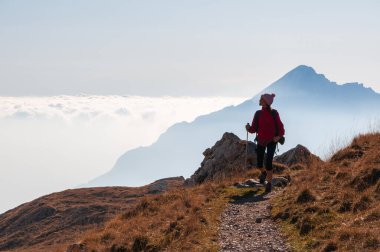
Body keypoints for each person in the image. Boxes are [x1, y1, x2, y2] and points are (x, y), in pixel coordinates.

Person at [245, 93, 285, 193]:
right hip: (261, 140)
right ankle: (263, 173)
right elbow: (254, 128)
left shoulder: (274, 113)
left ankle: (269, 183)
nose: (260, 100)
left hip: (272, 141)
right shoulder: (258, 113)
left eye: (261, 99)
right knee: (259, 164)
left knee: (268, 162)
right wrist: (249, 128)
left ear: (266, 101)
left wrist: (278, 136)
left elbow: (280, 127)